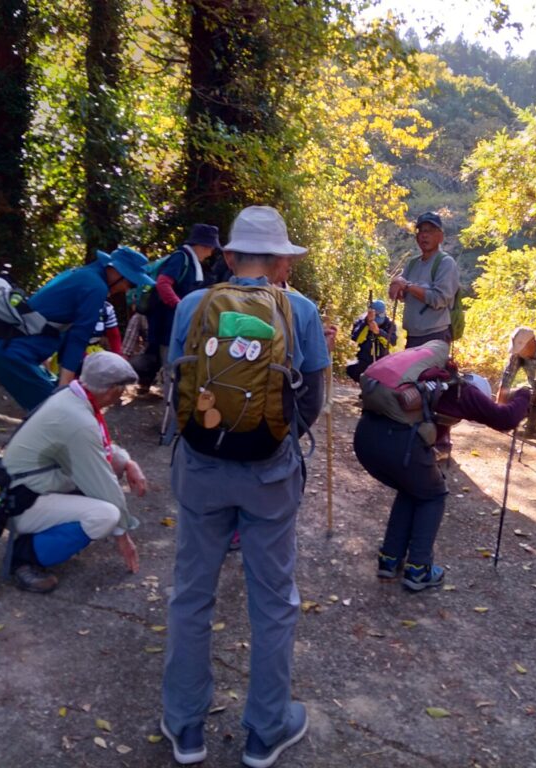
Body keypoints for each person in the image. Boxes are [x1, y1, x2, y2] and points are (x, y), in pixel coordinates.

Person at [160, 206, 329, 768]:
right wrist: (271, 442)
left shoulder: (192, 305)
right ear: (281, 263)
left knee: (191, 594)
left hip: (201, 468)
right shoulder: (300, 310)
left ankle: (185, 726)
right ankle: (266, 729)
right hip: (269, 474)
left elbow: (178, 382)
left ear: (230, 258)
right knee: (274, 600)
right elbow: (311, 400)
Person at [353, 348, 530, 591]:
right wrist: (524, 395)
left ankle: (390, 558)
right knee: (433, 495)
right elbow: (505, 418)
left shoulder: (424, 381)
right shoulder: (463, 392)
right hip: (398, 444)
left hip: (365, 438)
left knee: (413, 488)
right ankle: (418, 570)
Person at [1, 351, 146, 593]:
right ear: (112, 390)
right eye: (122, 389)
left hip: (25, 488)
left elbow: (101, 451)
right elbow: (103, 483)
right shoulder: (78, 420)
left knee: (113, 466)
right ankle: (24, 557)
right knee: (106, 516)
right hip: (20, 502)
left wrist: (128, 462)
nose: (122, 394)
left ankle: (41, 534)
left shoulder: (72, 395)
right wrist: (123, 535)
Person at [0, 246, 152, 411]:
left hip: (7, 350)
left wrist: (63, 383)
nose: (126, 290)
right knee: (57, 412)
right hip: (14, 355)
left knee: (52, 413)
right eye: (130, 283)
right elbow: (78, 337)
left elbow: (64, 331)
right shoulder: (96, 287)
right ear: (117, 272)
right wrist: (64, 386)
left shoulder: (81, 274)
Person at [137, 223, 221, 392]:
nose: (211, 253)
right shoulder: (180, 258)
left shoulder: (192, 262)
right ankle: (170, 404)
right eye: (211, 248)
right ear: (203, 245)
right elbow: (163, 283)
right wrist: (181, 307)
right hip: (167, 324)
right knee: (172, 367)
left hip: (178, 324)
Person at [388, 212, 460, 348]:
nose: (424, 235)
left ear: (440, 237)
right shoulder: (412, 263)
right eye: (421, 231)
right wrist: (395, 285)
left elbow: (440, 299)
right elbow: (399, 291)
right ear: (416, 237)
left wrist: (407, 286)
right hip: (412, 336)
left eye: (430, 231)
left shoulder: (446, 263)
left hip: (435, 336)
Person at [346, 299, 397, 383]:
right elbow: (355, 338)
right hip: (364, 359)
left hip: (382, 360)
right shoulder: (362, 321)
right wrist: (366, 324)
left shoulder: (389, 324)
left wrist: (378, 332)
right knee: (352, 369)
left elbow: (392, 342)